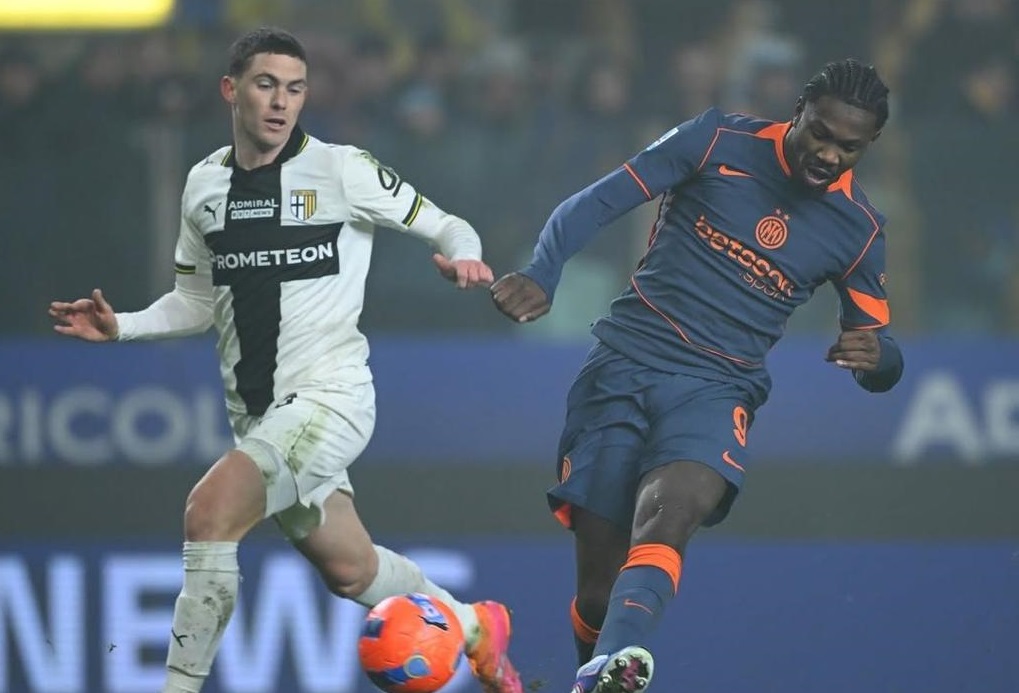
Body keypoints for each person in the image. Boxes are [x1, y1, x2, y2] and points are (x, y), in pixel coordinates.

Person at [49, 27, 522, 693]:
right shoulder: (204, 184)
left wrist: (465, 256)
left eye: (294, 89)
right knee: (351, 571)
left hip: (330, 400)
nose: (280, 102)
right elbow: (196, 300)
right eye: (266, 85)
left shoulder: (341, 170)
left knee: (209, 512)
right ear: (231, 89)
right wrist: (122, 326)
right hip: (261, 417)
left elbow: (446, 223)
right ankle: (474, 625)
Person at [491, 58, 904, 693]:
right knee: (598, 591)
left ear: (868, 145)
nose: (829, 154)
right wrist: (543, 271)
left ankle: (621, 660)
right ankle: (599, 666)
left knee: (671, 512)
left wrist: (879, 359)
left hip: (718, 388)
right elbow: (597, 201)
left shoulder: (859, 230)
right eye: (820, 133)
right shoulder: (716, 140)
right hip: (624, 364)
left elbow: (881, 357)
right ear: (798, 111)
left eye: (849, 147)